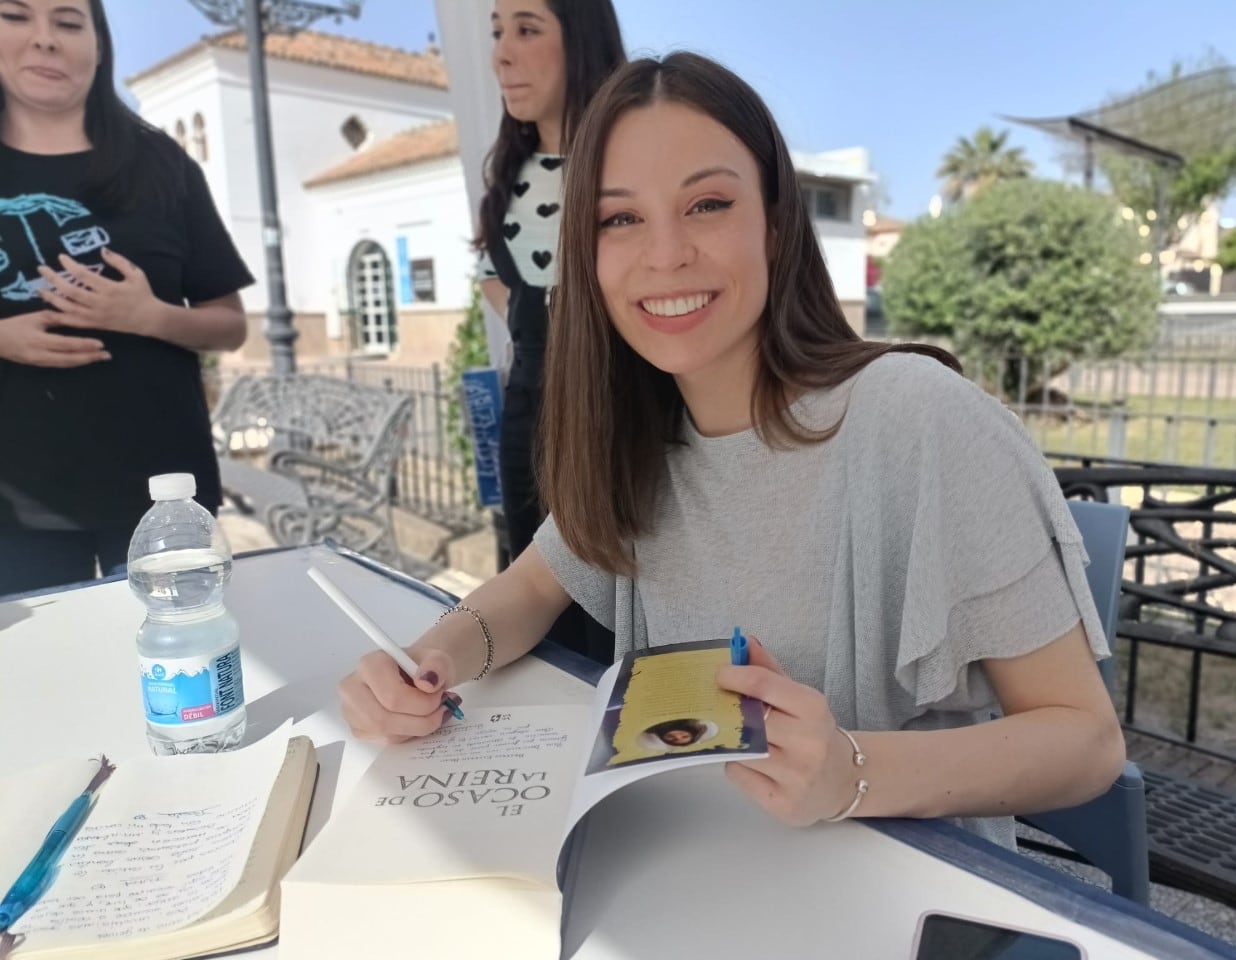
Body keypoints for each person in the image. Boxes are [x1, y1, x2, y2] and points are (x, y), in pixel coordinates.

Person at [340, 53, 1126, 847]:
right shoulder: (635, 434)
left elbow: (1087, 743)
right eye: (620, 219)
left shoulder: (919, 417)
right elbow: (528, 590)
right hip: (684, 866)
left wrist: (849, 770)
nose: (666, 254)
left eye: (708, 204)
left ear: (776, 226)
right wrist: (431, 661)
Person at [0, 0, 251, 595]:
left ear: (98, 43)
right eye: (15, 16)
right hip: (12, 508)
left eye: (67, 22)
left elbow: (230, 325)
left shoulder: (161, 163)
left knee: (181, 672)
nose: (45, 40)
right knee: (31, 682)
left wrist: (150, 317)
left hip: (161, 498)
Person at [475, 0, 625, 664]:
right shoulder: (505, 178)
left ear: (582, 41)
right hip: (528, 420)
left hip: (623, 421)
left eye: (527, 29)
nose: (502, 53)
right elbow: (498, 289)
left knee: (621, 607)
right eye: (498, 32)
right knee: (538, 599)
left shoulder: (630, 169)